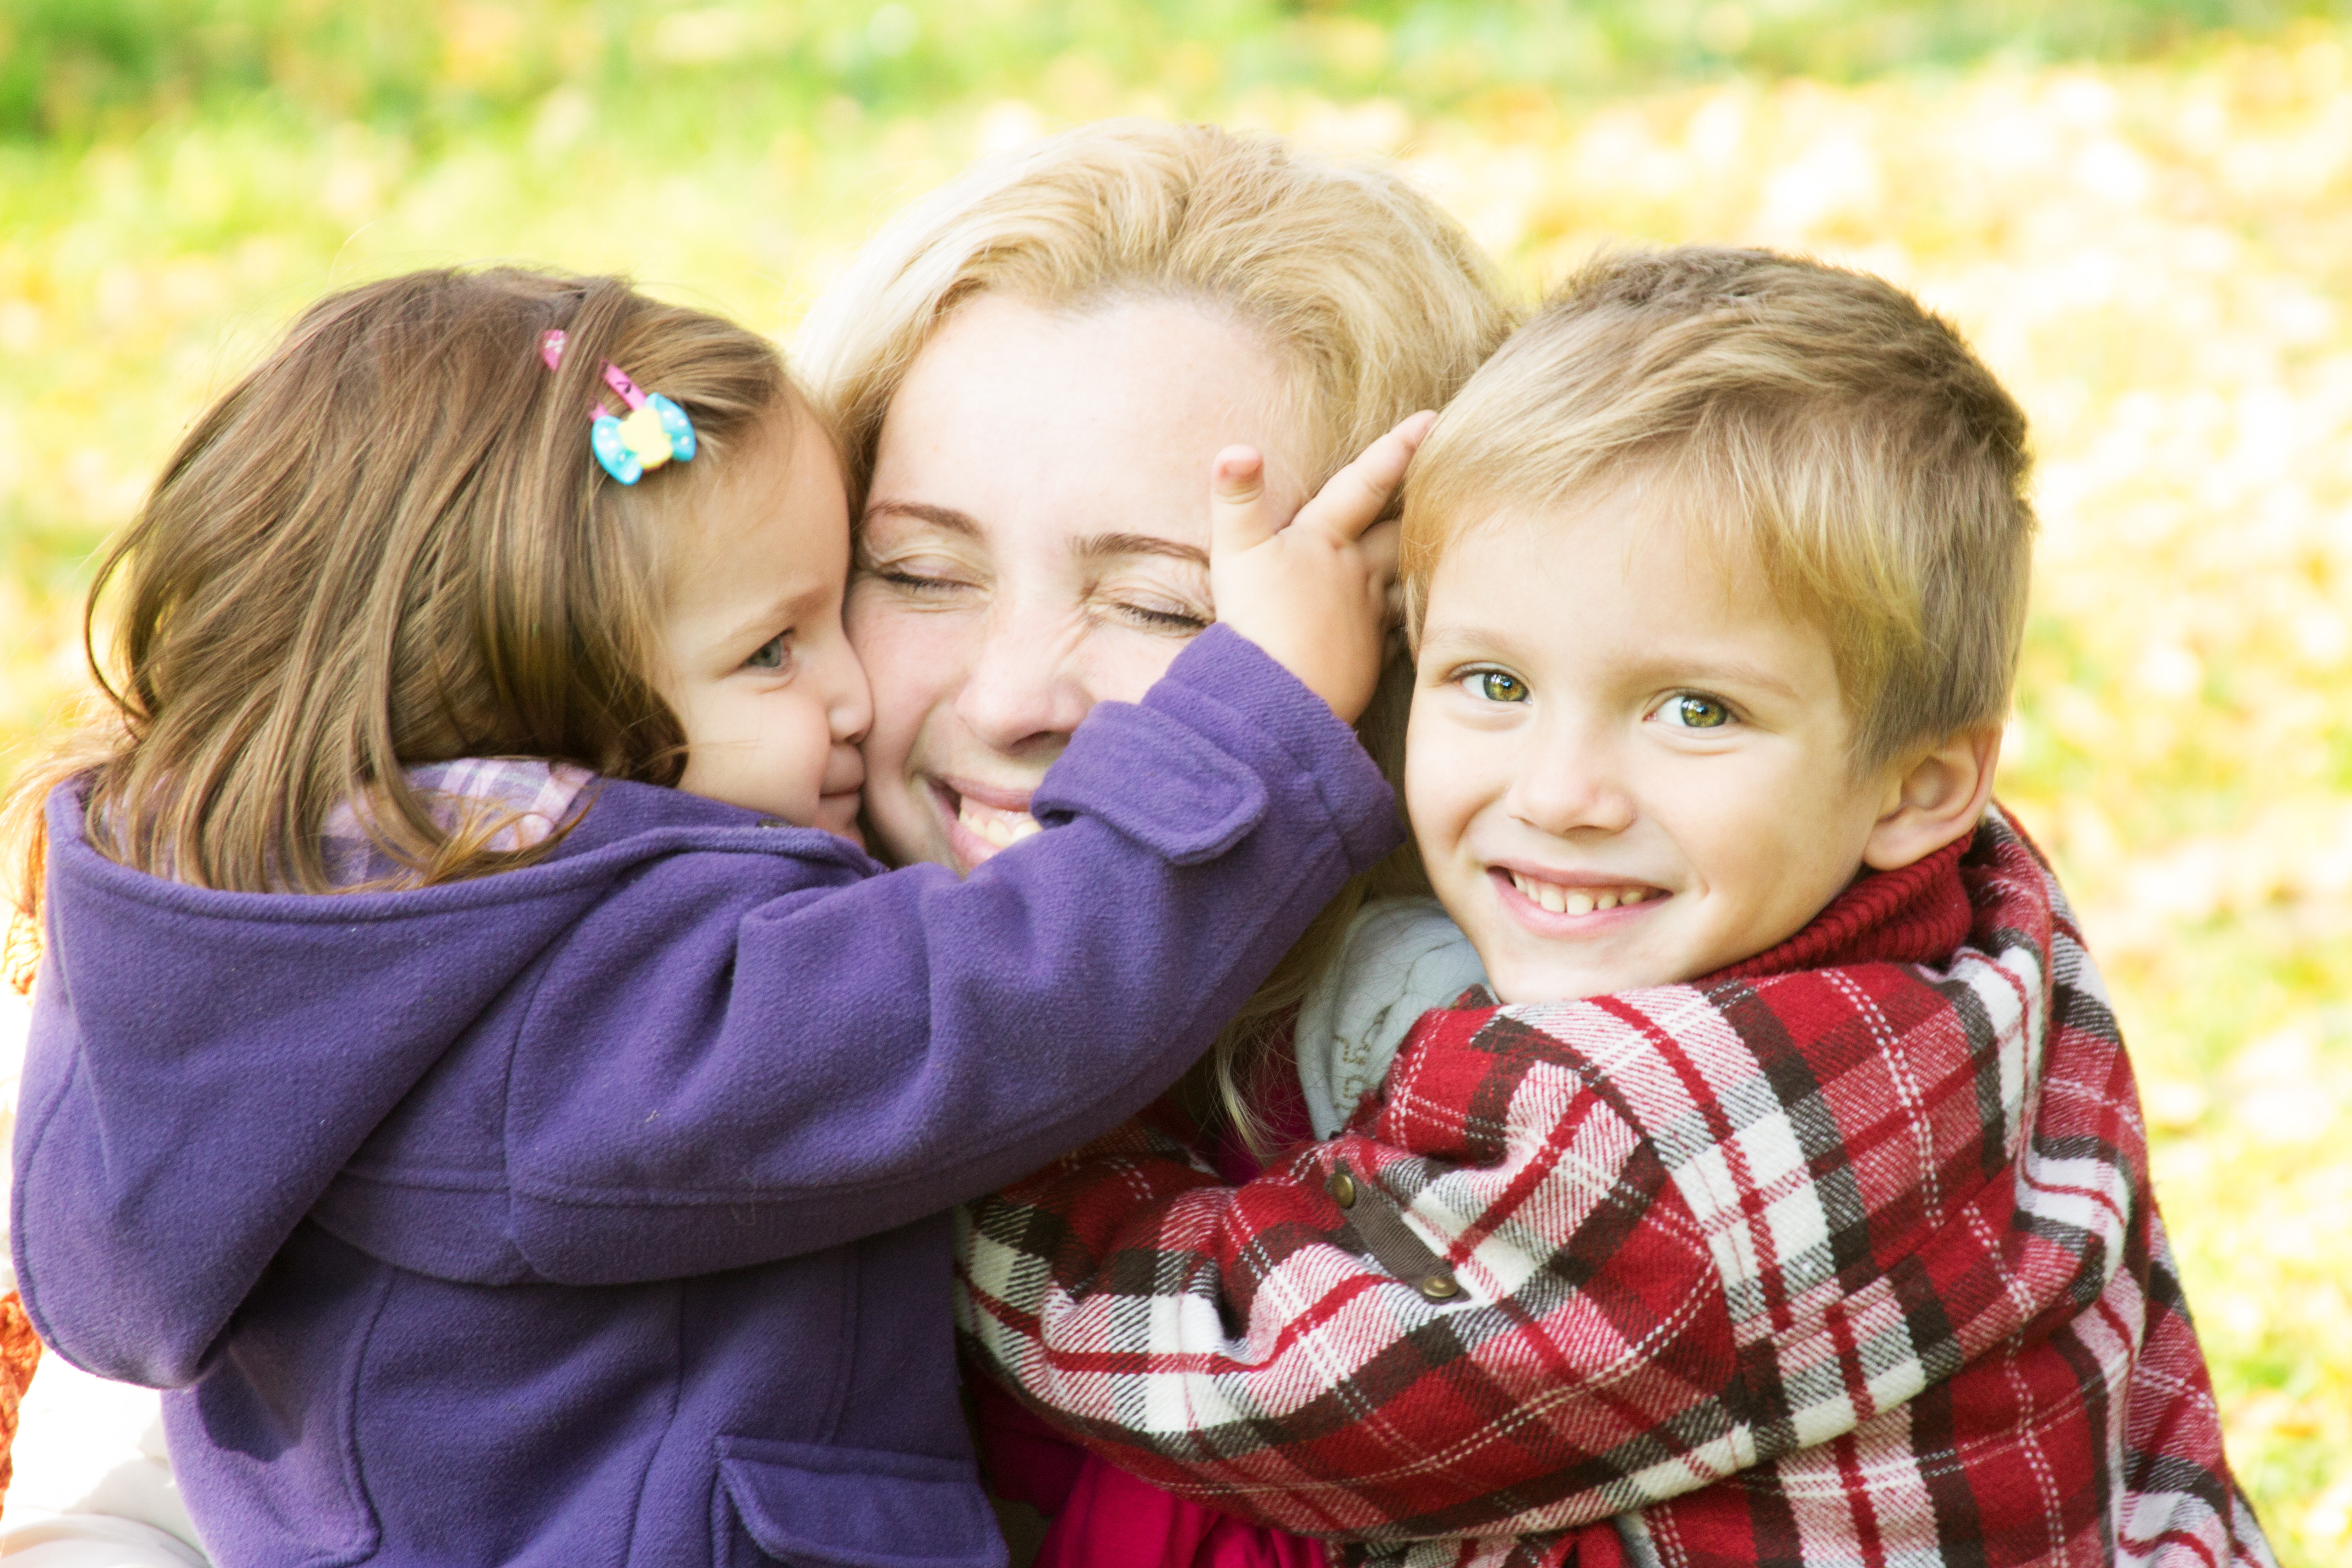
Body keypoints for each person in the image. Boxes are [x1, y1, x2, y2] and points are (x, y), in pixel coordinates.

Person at [5, 264, 1426, 1567]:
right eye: (771, 651)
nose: (853, 696)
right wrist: (1259, 718)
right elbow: (989, 1008)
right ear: (542, 692)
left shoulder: (300, 934)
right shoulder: (565, 990)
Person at [960, 250, 2276, 1567]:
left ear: (1919, 782)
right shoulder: (2001, 922)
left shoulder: (1662, 1139)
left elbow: (1243, 1374)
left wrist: (992, 1140)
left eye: (1695, 710)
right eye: (1491, 680)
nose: (1563, 790)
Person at [789, 118, 1515, 1559]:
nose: (1008, 698)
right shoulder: (665, 1009)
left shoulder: (1498, 1110)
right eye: (921, 571)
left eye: (1168, 608)